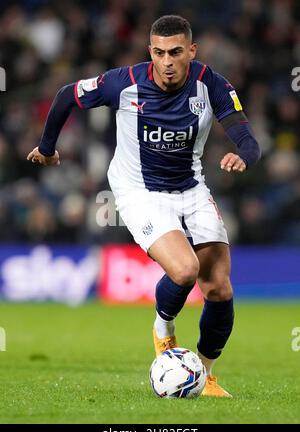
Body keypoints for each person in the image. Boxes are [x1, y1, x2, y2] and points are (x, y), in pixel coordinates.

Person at [27, 15, 261, 397]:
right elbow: (66, 94)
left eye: (175, 52)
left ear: (191, 51)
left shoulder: (212, 84)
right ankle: (163, 329)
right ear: (150, 51)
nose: (166, 61)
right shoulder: (124, 83)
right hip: (138, 190)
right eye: (159, 52)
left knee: (218, 287)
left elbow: (246, 137)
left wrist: (243, 157)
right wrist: (49, 148)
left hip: (190, 186)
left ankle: (203, 374)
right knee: (185, 270)